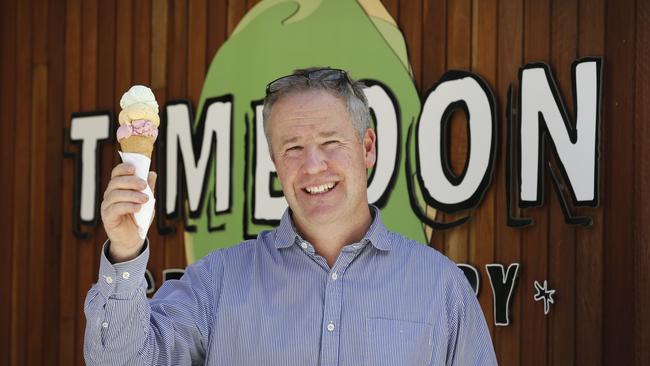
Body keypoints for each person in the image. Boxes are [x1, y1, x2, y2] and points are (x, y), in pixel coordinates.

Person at [84, 67, 498, 365]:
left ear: (367, 147)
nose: (313, 165)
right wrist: (125, 250)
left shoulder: (439, 287)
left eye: (331, 142)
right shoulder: (218, 283)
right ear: (275, 162)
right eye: (293, 148)